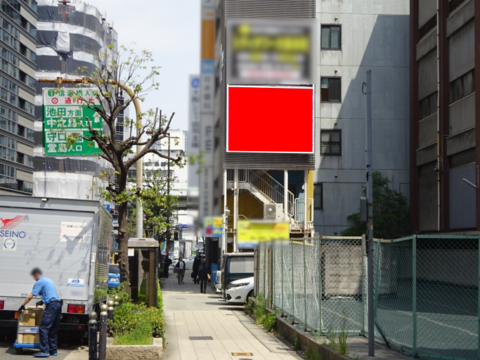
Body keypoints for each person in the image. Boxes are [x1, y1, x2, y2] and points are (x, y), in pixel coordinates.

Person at [18, 268, 61, 358]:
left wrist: (22, 305)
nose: (34, 278)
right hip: (57, 304)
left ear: (37, 274)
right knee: (53, 329)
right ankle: (53, 351)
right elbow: (50, 293)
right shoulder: (48, 280)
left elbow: (30, 296)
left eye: (34, 276)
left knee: (43, 328)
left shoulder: (39, 282)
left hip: (51, 306)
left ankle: (44, 350)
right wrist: (42, 301)